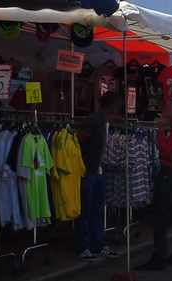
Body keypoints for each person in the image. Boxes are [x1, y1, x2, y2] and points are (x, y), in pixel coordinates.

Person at [136, 100, 172, 271]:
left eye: (167, 108)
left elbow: (165, 149)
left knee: (161, 216)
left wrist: (160, 130)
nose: (164, 111)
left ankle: (159, 257)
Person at [75, 95, 120, 260]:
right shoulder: (93, 120)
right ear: (111, 106)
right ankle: (84, 247)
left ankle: (98, 244)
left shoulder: (104, 122)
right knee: (85, 210)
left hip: (98, 171)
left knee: (97, 211)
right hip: (88, 171)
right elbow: (79, 140)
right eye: (116, 106)